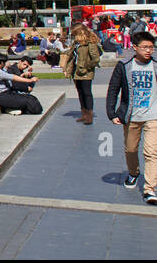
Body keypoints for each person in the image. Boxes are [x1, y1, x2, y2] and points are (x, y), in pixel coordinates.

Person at [105, 31, 156, 203]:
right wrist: (111, 113)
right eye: (145, 47)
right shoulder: (124, 66)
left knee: (151, 152)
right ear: (135, 47)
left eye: (151, 47)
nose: (149, 50)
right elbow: (113, 89)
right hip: (132, 116)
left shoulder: (156, 65)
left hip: (153, 116)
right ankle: (134, 173)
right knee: (131, 149)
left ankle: (150, 189)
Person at [62, 25, 101, 124]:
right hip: (76, 71)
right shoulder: (77, 43)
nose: (73, 36)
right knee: (80, 92)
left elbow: (96, 59)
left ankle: (89, 115)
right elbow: (71, 54)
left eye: (74, 34)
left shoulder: (90, 44)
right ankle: (83, 113)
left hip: (85, 72)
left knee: (87, 92)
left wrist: (86, 66)